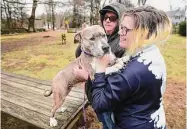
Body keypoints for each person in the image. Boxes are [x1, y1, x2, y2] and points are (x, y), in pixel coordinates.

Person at [74, 6, 172, 129]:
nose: (120, 32)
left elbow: (100, 103)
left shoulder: (133, 72)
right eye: (121, 27)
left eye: (125, 29)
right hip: (152, 119)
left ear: (143, 32)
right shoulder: (151, 53)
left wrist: (96, 72)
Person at [75, 2, 127, 129]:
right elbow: (78, 54)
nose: (108, 20)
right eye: (105, 18)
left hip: (110, 100)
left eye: (113, 18)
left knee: (110, 125)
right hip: (95, 96)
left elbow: (120, 78)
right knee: (104, 122)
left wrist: (86, 76)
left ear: (120, 20)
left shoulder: (123, 42)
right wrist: (85, 39)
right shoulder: (99, 34)